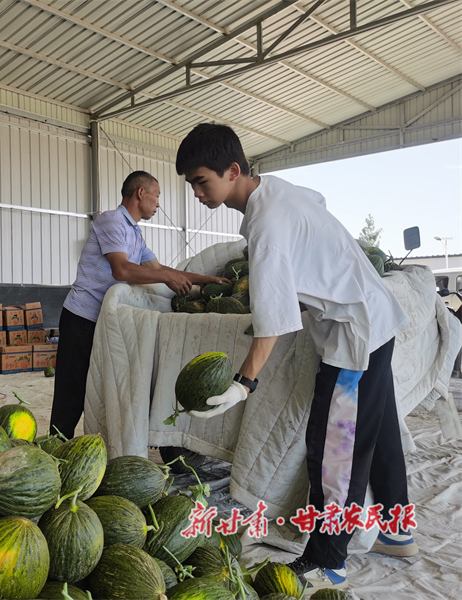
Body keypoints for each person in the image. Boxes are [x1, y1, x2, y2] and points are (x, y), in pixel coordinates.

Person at [175, 124, 417, 593]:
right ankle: (397, 531)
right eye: (191, 185)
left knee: (335, 450)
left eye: (202, 181)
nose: (198, 193)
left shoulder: (267, 226)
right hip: (374, 320)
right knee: (379, 432)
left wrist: (243, 383)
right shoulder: (275, 190)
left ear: (232, 170)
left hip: (353, 336)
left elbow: (273, 321)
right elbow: (317, 201)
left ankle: (329, 560)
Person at [49, 170, 228, 440]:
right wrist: (167, 278)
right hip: (82, 317)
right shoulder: (112, 221)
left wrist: (204, 280)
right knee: (72, 389)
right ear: (141, 193)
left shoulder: (135, 233)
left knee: (100, 386)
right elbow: (122, 269)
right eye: (156, 196)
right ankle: (55, 445)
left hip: (106, 320)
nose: (158, 204)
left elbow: (157, 268)